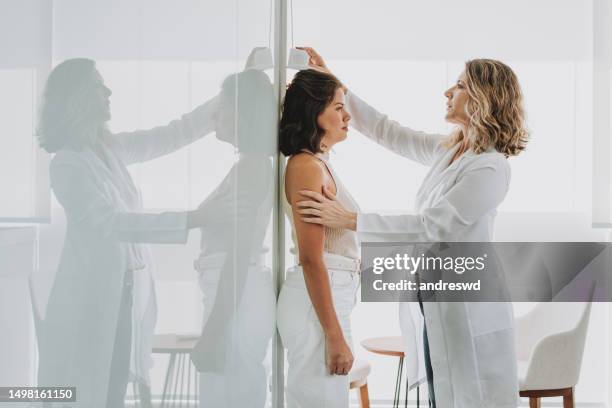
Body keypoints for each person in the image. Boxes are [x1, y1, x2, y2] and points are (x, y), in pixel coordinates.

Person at [296, 48, 529, 408]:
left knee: (474, 396)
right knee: (445, 394)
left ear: (484, 98)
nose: (448, 92)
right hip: (436, 296)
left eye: (461, 86)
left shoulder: (491, 167)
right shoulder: (453, 151)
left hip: (468, 301)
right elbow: (389, 132)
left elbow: (434, 226)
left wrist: (349, 219)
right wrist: (333, 83)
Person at [36, 58, 222, 407]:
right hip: (90, 301)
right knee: (92, 391)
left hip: (121, 295)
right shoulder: (66, 164)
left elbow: (170, 135)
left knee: (112, 389)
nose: (108, 92)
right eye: (97, 85)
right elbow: (110, 224)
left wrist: (224, 100)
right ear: (77, 97)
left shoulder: (108, 149)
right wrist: (192, 218)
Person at [190, 69, 276, 408]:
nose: (214, 115)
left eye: (222, 107)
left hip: (236, 296)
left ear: (243, 114)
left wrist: (213, 331)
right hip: (235, 295)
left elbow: (238, 253)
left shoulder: (252, 168)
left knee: (231, 394)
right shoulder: (248, 166)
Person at [276, 69, 360, 407]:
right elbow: (312, 258)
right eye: (339, 107)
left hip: (328, 299)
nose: (347, 115)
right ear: (315, 113)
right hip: (317, 305)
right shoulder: (306, 166)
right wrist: (334, 335)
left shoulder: (318, 163)